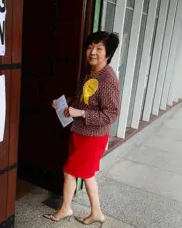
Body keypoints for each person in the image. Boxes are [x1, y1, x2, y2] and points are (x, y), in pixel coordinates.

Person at [44, 31, 120, 225]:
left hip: (93, 137)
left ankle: (65, 209)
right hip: (79, 132)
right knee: (86, 175)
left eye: (99, 49)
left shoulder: (108, 79)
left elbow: (111, 114)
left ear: (108, 54)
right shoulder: (91, 73)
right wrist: (64, 104)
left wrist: (81, 114)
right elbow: (81, 102)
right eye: (90, 47)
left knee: (70, 171)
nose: (93, 52)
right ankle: (97, 213)